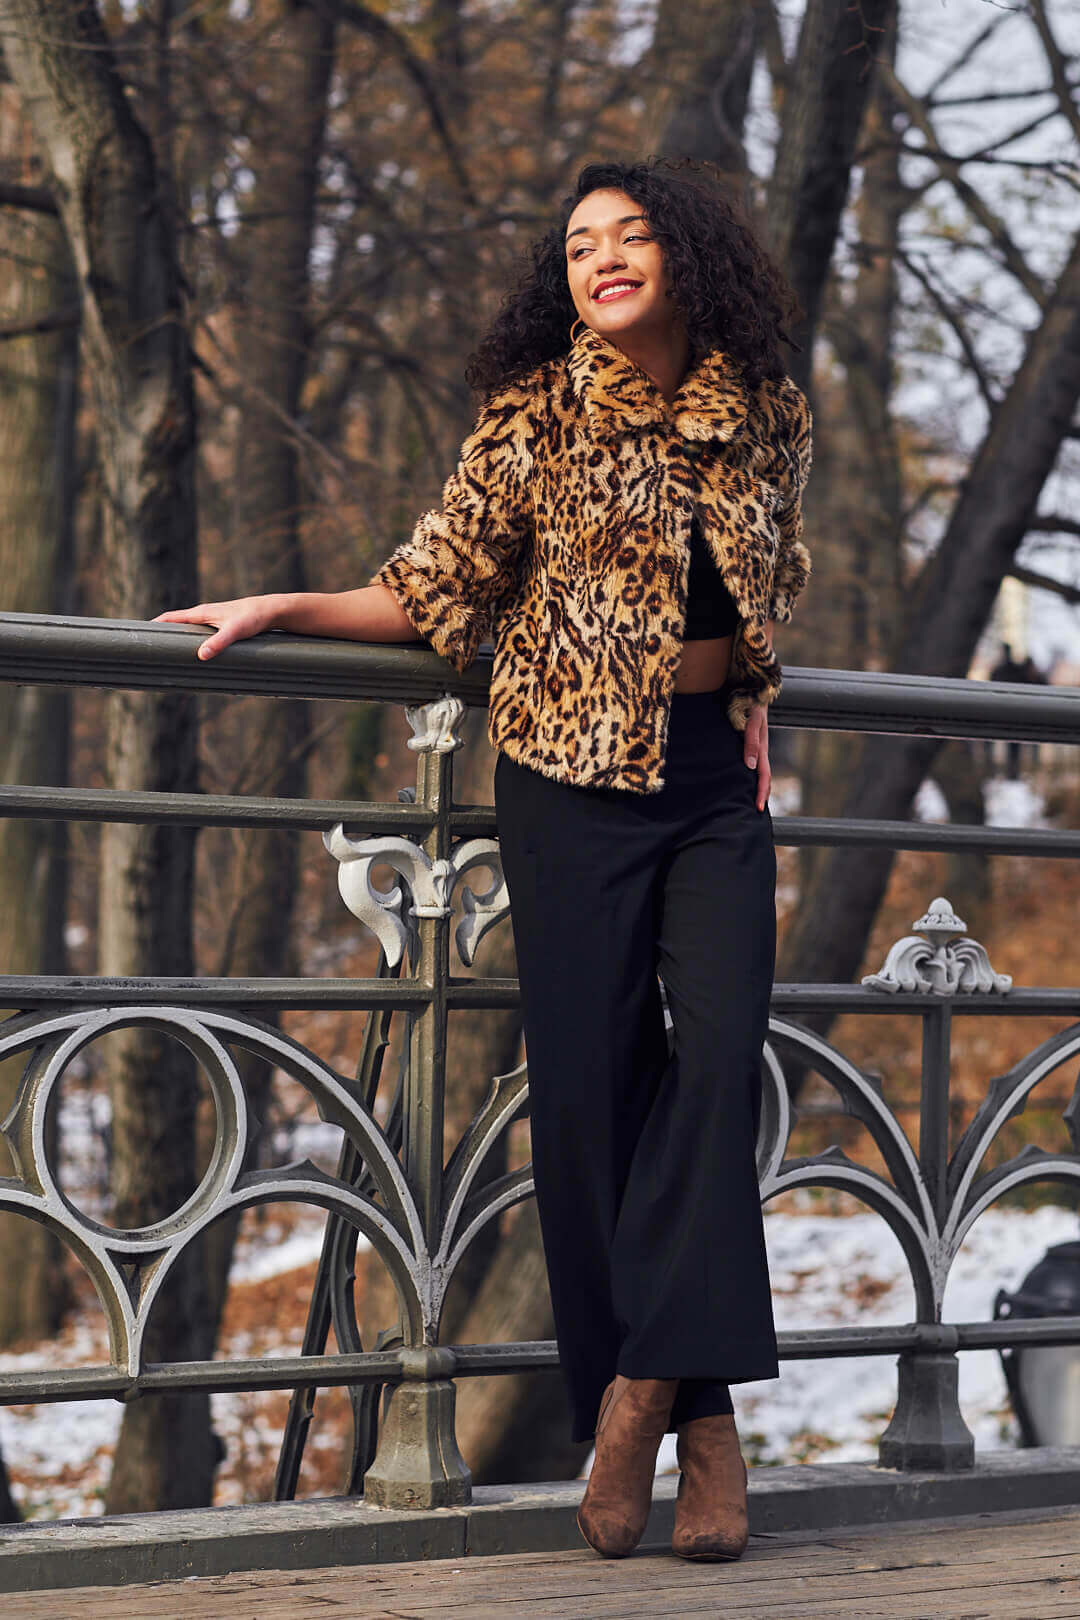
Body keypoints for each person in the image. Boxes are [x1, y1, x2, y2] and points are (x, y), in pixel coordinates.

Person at [155, 156, 813, 1563]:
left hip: (711, 786)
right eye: (582, 246)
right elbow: (437, 584)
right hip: (567, 783)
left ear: (689, 259)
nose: (606, 260)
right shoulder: (536, 416)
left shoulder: (765, 414)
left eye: (633, 237)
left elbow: (769, 585)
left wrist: (755, 699)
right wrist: (291, 604)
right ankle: (705, 1431)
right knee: (588, 1102)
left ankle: (640, 1389)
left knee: (715, 1062)